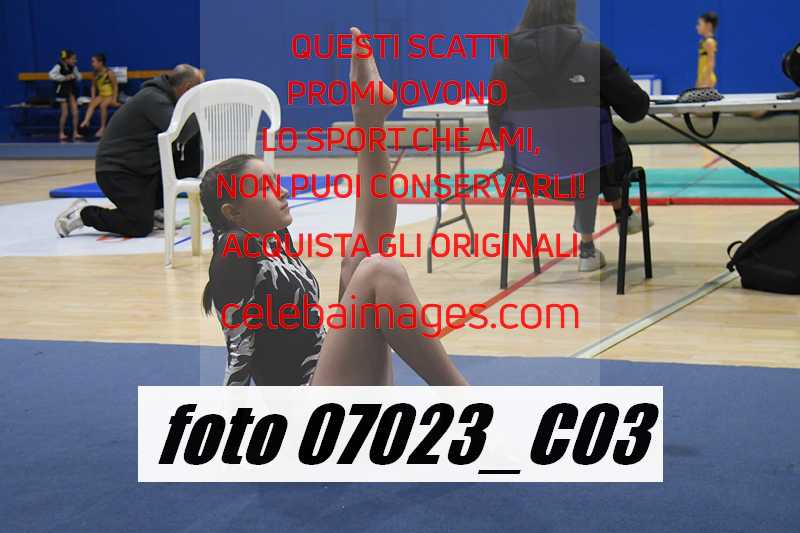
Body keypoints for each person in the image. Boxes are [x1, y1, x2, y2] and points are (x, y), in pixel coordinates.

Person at [200, 28, 468, 386]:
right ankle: (463, 397)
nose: (281, 191)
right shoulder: (233, 251)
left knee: (359, 260)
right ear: (233, 212)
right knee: (378, 271)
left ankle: (368, 119)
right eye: (264, 188)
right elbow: (238, 352)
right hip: (301, 404)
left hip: (324, 377)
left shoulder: (273, 239)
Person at [488, 0, 652, 272]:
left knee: (585, 149)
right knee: (595, 149)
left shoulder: (502, 68)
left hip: (531, 176)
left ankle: (591, 245)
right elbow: (636, 110)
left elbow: (498, 129)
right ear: (570, 13)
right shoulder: (595, 57)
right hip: (598, 171)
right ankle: (619, 215)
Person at [55, 64, 205, 239]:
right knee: (139, 225)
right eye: (198, 92)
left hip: (142, 168)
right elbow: (182, 132)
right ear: (188, 88)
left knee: (189, 164)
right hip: (117, 171)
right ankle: (82, 214)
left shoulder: (168, 100)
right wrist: (203, 112)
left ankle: (155, 210)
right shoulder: (152, 98)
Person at [79, 53, 120, 137]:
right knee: (92, 104)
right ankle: (86, 121)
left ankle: (103, 128)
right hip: (101, 95)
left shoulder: (109, 73)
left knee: (103, 106)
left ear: (100, 63)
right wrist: (93, 97)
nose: (92, 64)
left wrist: (114, 99)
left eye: (93, 62)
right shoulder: (95, 73)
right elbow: (93, 86)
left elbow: (115, 87)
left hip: (110, 95)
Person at [48, 49, 82, 142]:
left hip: (71, 91)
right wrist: (64, 78)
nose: (75, 61)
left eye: (75, 59)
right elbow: (51, 75)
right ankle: (61, 132)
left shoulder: (73, 67)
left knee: (75, 112)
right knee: (65, 113)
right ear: (66, 59)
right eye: (73, 59)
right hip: (62, 92)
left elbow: (79, 77)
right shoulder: (58, 66)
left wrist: (76, 76)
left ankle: (75, 132)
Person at [696, 12, 719, 89]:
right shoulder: (704, 41)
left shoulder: (710, 42)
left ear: (708, 25)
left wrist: (706, 81)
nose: (697, 27)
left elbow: (711, 62)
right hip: (703, 77)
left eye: (699, 24)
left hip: (707, 79)